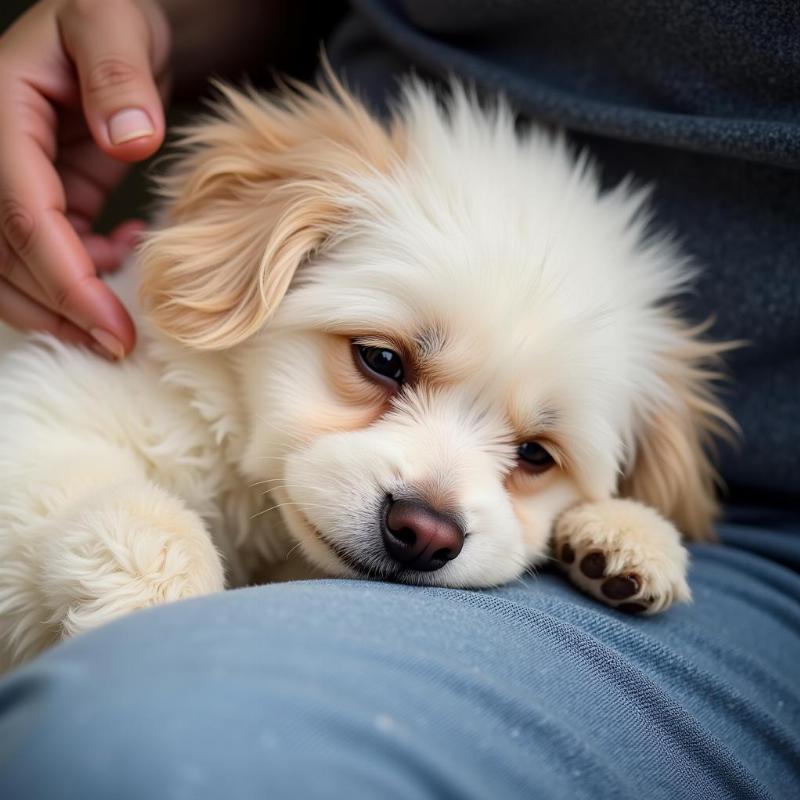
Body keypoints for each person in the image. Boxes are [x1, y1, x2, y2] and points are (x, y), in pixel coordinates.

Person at [0, 1, 798, 797]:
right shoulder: (132, 381)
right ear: (283, 261)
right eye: (382, 363)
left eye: (530, 455)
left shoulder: (623, 424)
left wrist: (598, 521)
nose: (431, 516)